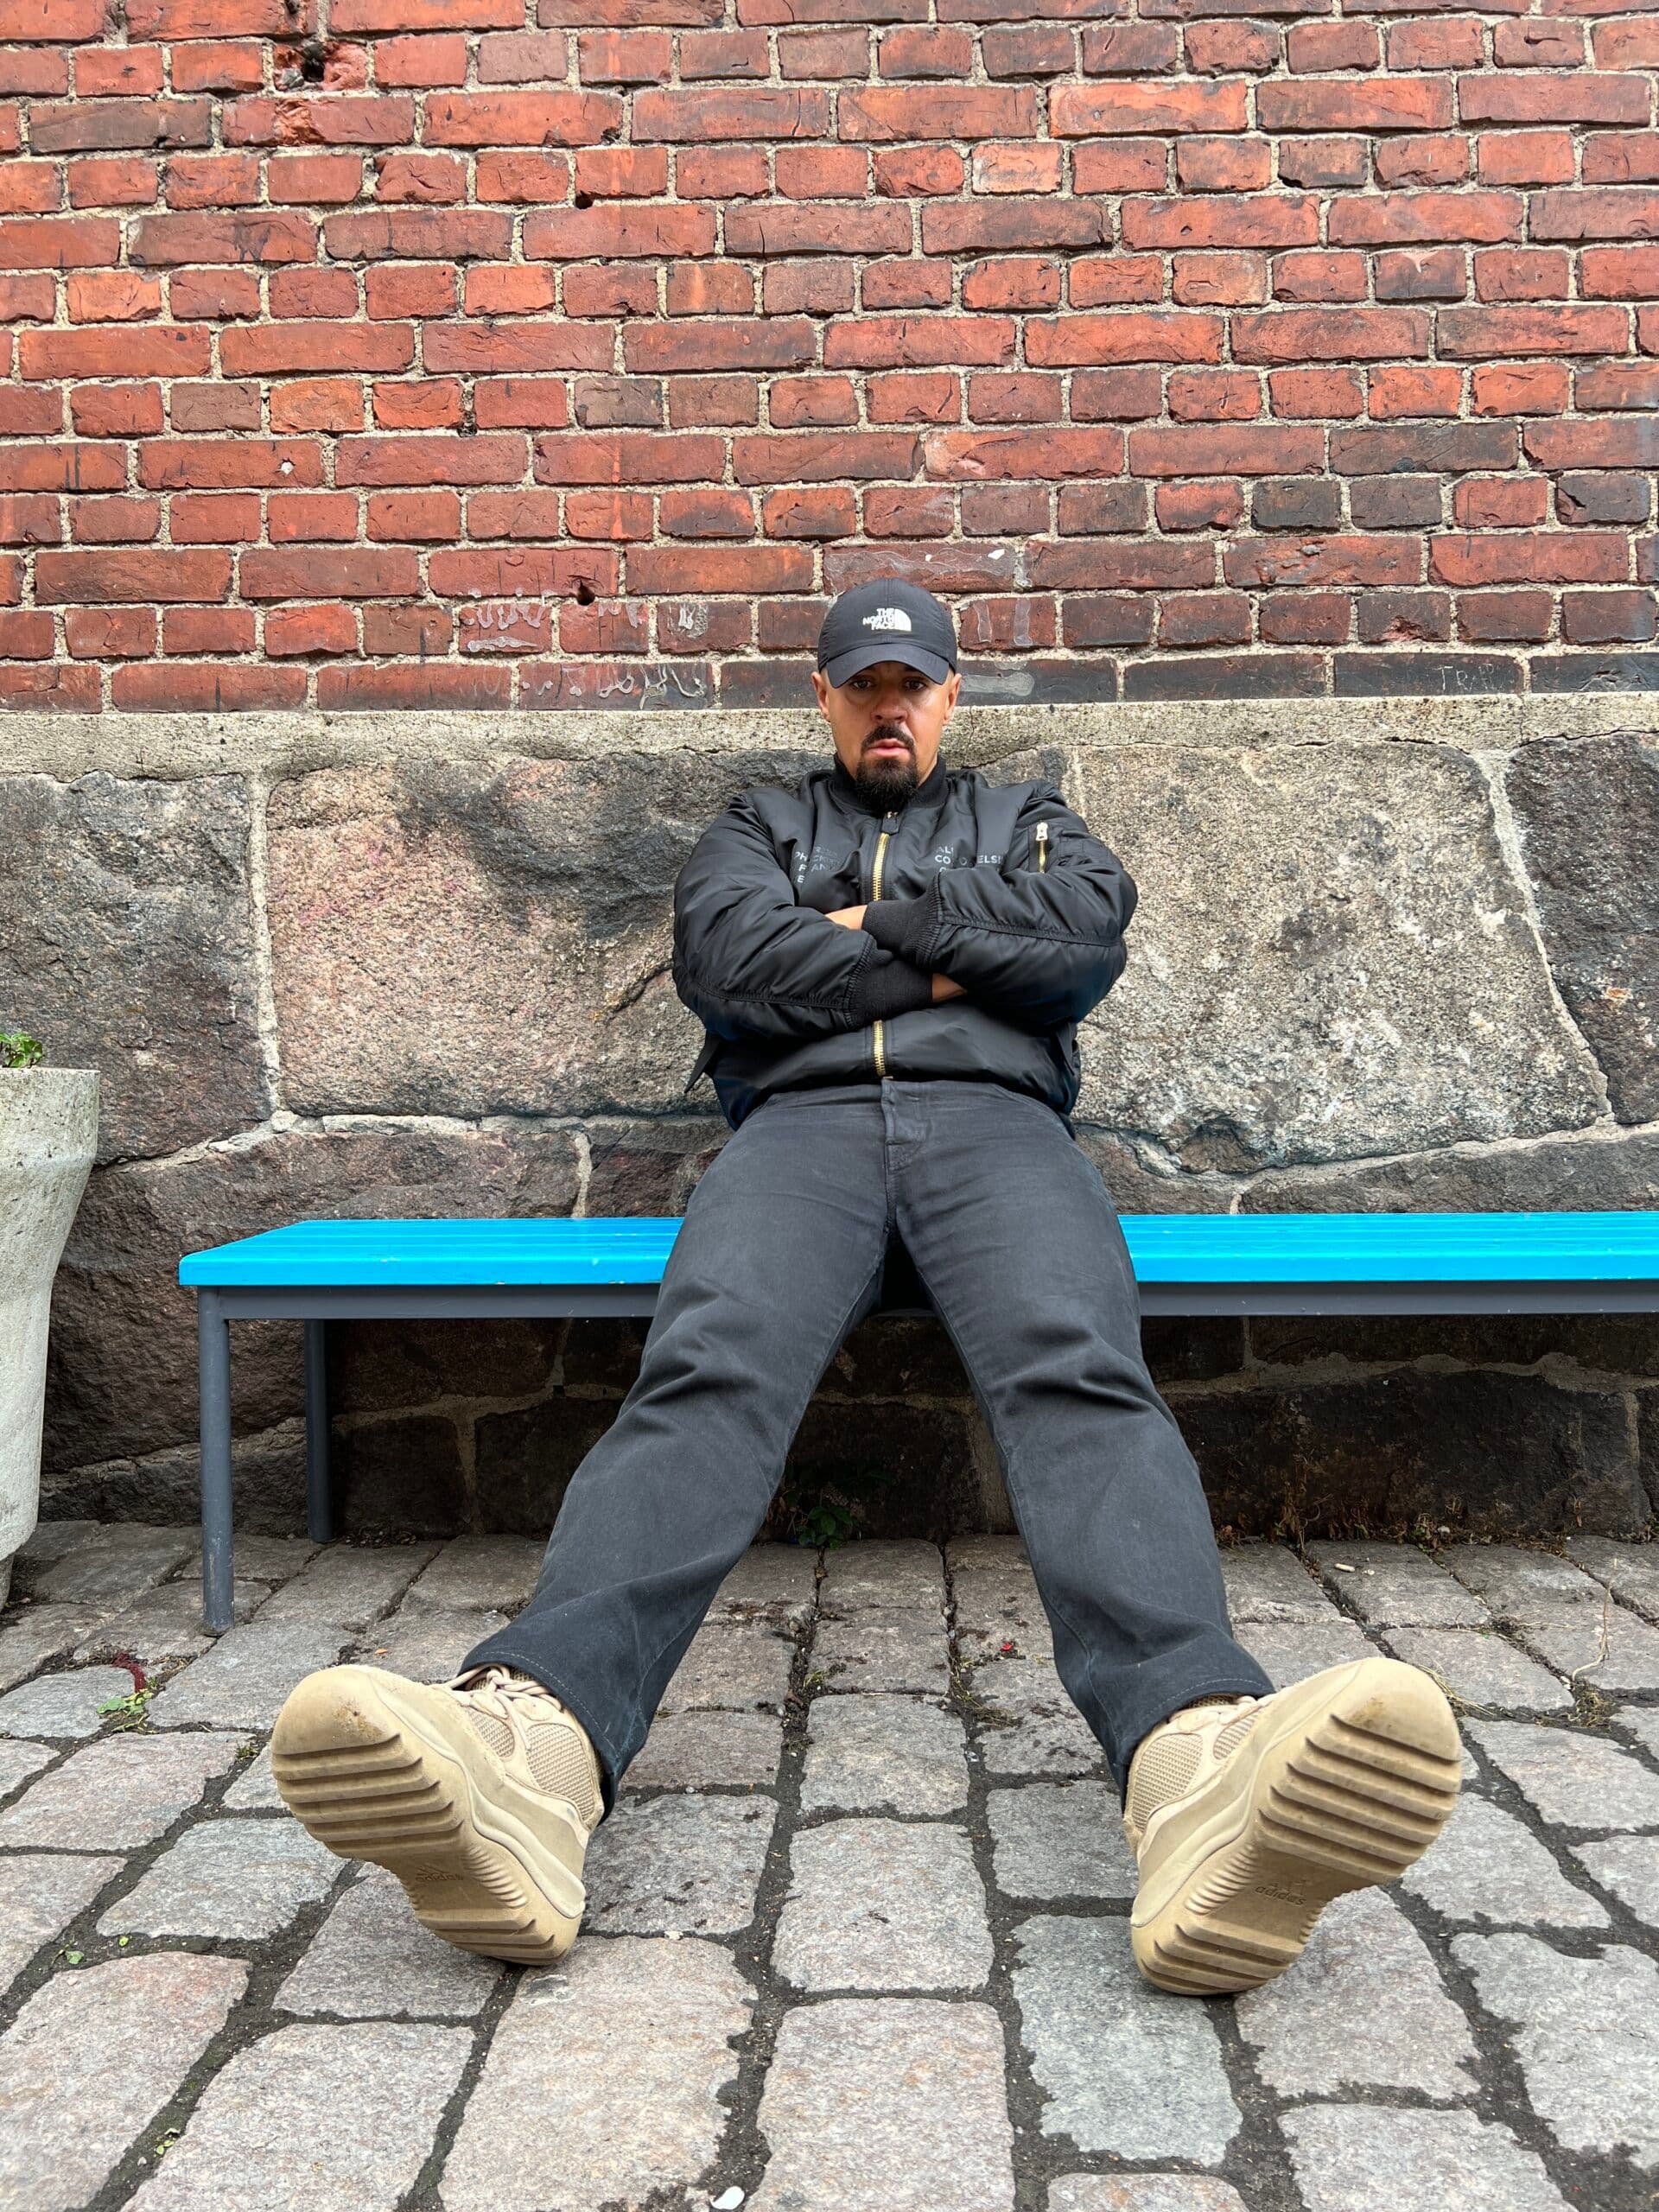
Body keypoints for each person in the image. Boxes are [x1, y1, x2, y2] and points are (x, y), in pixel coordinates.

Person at [271, 579, 1460, 1996]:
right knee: (707, 1370)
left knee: (1079, 1369)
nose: (888, 711)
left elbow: (1080, 945)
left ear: (950, 696)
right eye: (863, 688)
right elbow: (730, 964)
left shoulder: (1028, 813)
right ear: (826, 696)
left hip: (997, 1130)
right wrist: (965, 956)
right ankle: (531, 1752)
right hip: (803, 1135)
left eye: (912, 688)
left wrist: (861, 928)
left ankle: (1196, 1757)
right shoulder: (756, 823)